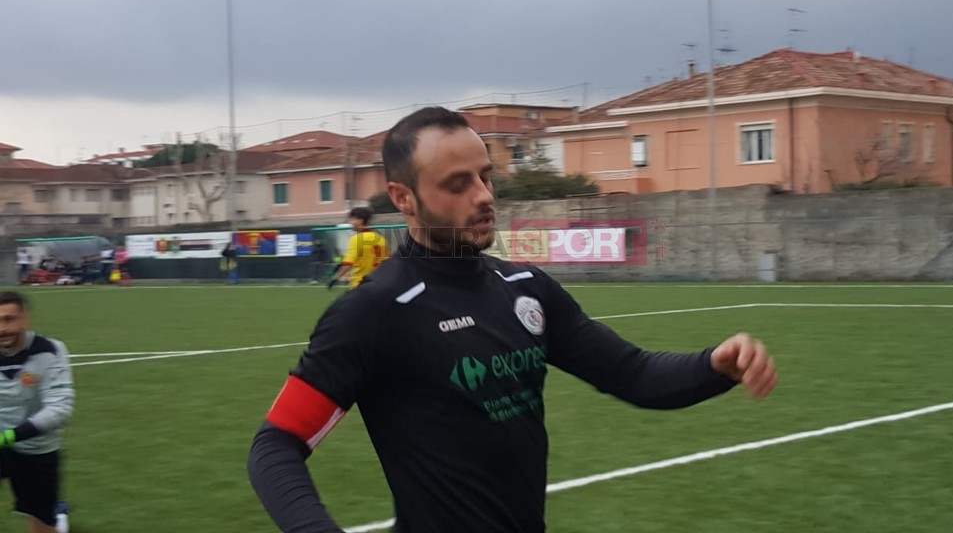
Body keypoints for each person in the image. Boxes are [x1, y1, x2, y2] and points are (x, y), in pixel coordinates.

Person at [247, 107, 778, 533]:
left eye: (485, 176)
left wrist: (713, 366)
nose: (483, 196)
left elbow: (632, 373)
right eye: (457, 184)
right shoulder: (374, 312)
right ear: (403, 198)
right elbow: (276, 446)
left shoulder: (526, 288)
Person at [0, 291, 74, 533]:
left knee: (40, 524)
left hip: (36, 449)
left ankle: (56, 517)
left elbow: (60, 408)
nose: (2, 329)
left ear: (25, 318)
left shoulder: (49, 350)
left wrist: (9, 436)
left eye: (9, 319)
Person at [327, 207, 389, 290]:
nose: (350, 223)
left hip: (360, 284)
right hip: (378, 284)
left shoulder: (357, 239)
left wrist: (335, 278)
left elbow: (348, 264)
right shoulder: (381, 239)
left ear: (360, 220)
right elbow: (386, 263)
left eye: (352, 219)